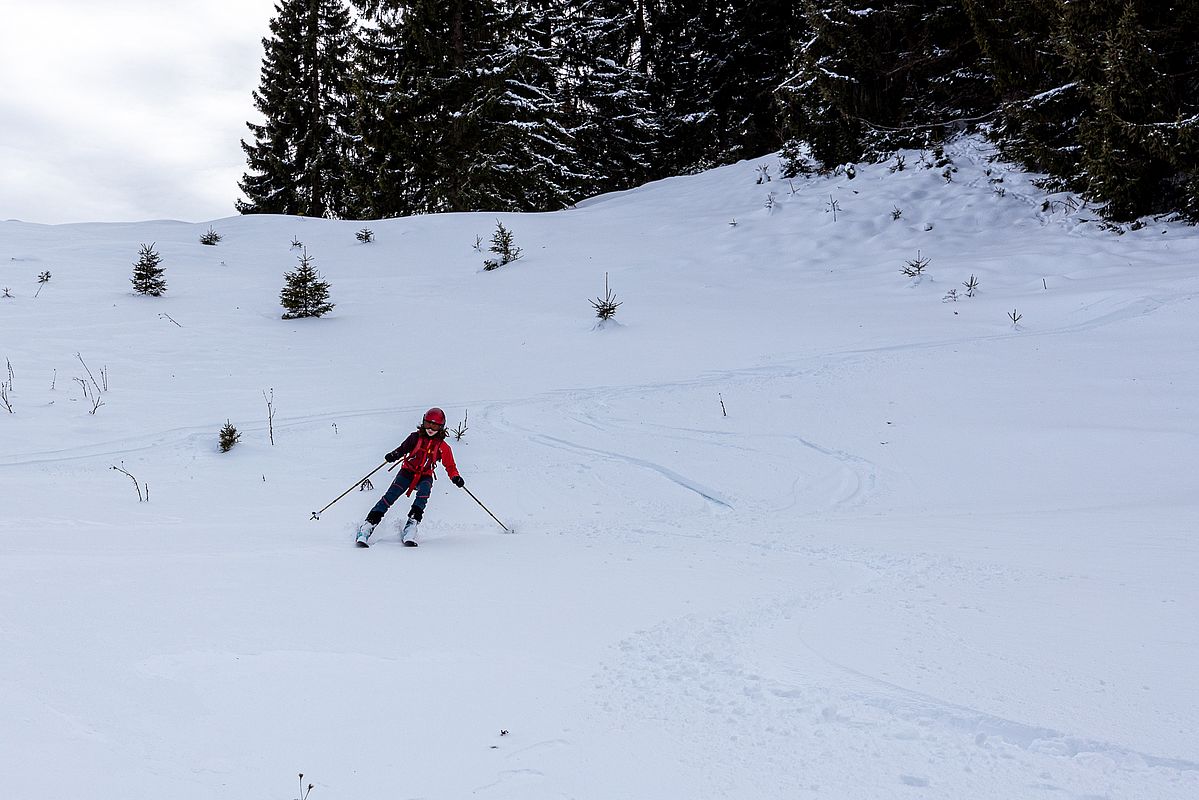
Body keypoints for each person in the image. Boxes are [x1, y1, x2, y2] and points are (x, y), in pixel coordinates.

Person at [355, 407, 465, 547]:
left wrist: (455, 477)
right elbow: (402, 449)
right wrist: (393, 455)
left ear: (441, 427)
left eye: (435, 425)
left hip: (425, 475)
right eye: (428, 424)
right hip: (407, 472)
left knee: (423, 494)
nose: (431, 428)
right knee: (390, 496)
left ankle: (412, 525)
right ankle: (368, 525)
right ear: (423, 423)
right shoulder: (415, 438)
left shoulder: (443, 446)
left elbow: (450, 466)